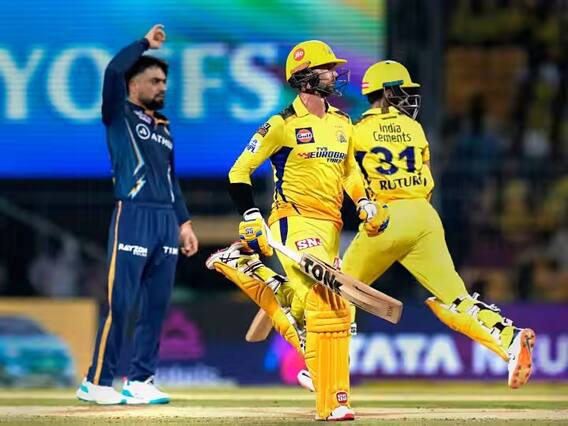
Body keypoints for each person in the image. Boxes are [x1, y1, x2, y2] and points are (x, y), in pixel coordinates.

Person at [207, 40, 388, 421]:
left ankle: (247, 270)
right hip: (293, 220)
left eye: (334, 68)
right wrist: (251, 215)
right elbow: (239, 171)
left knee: (319, 306)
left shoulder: (342, 123)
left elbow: (350, 172)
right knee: (328, 300)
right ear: (305, 77)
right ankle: (334, 399)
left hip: (331, 226)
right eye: (326, 69)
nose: (334, 74)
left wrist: (364, 201)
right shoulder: (281, 125)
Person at [340, 60, 535, 389]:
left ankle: (331, 366)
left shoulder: (355, 131)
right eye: (403, 91)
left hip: (385, 217)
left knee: (340, 291)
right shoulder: (414, 129)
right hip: (425, 216)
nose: (408, 98)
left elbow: (347, 176)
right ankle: (509, 337)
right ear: (387, 92)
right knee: (457, 299)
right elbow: (427, 180)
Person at [76, 24, 198, 405]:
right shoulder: (118, 113)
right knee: (122, 303)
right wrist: (145, 43)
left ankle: (141, 380)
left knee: (156, 306)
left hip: (165, 221)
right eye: (155, 81)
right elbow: (113, 70)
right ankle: (97, 382)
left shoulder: (164, 127)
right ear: (133, 84)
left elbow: (170, 179)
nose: (163, 87)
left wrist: (184, 222)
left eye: (165, 82)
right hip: (133, 214)